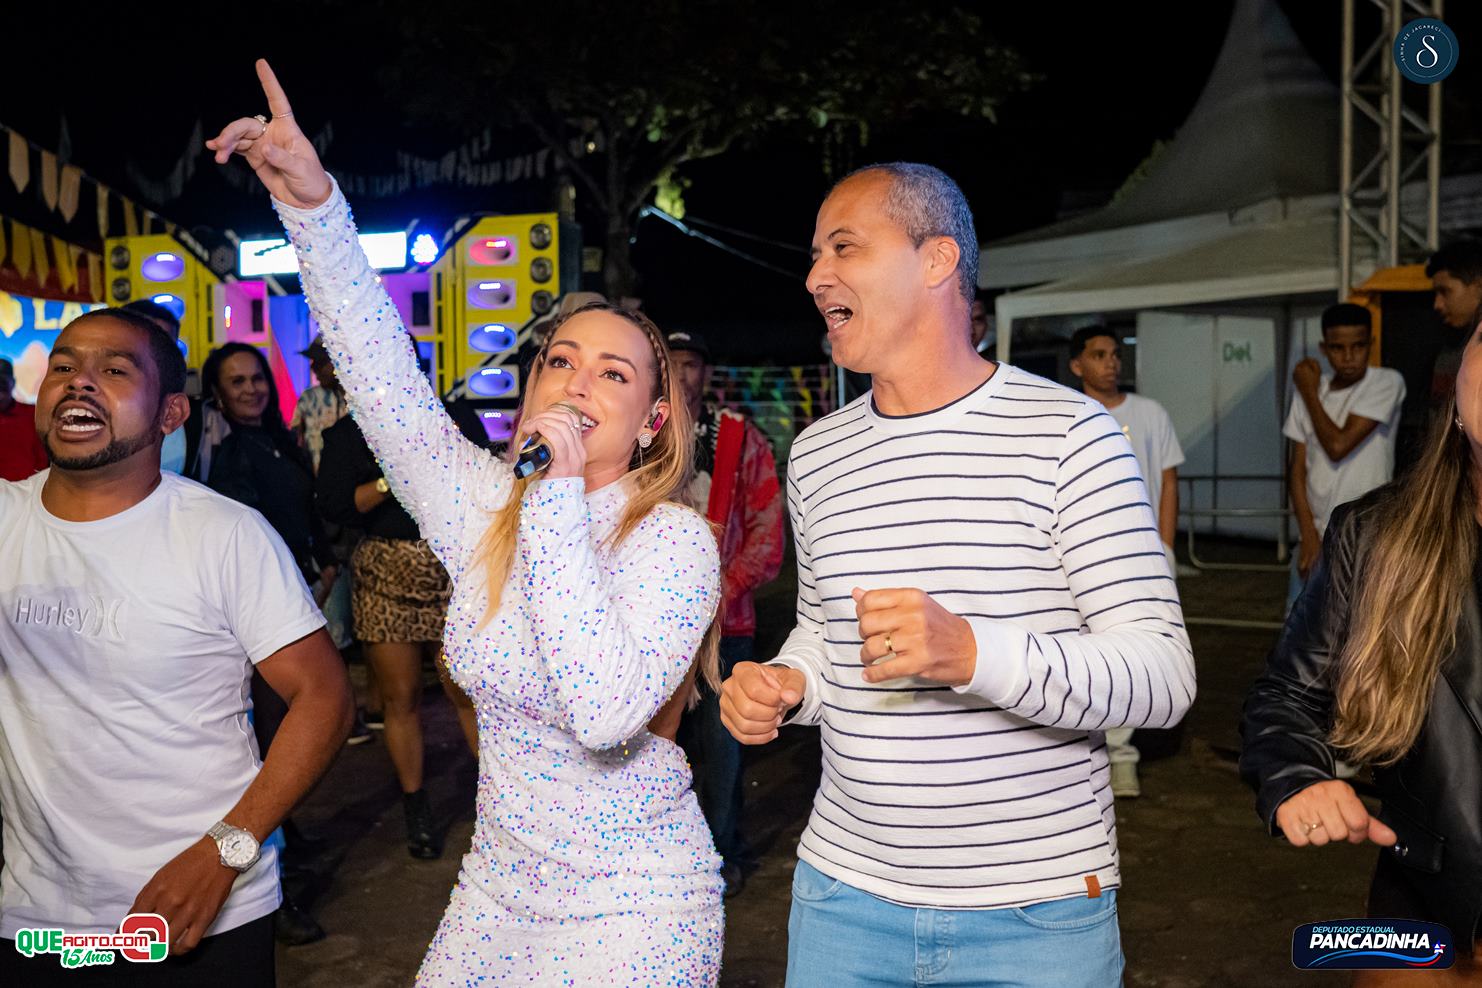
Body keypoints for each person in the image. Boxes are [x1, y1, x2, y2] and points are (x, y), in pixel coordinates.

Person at [209, 60, 725, 985]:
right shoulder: (485, 505)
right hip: (497, 888)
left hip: (638, 901)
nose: (576, 380)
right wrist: (314, 209)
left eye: (612, 373)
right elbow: (382, 380)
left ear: (653, 420)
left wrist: (556, 495)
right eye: (560, 361)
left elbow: (606, 712)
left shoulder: (674, 541)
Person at [719, 162, 1195, 987]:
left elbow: (1163, 678)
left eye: (844, 248)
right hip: (843, 901)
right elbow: (827, 631)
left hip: (1036, 915)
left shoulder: (1070, 436)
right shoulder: (819, 454)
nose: (815, 276)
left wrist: (972, 652)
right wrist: (791, 681)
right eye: (814, 254)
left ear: (937, 260)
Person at [0, 308, 353, 986]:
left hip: (202, 906)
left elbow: (325, 699)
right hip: (37, 914)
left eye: (114, 370)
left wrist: (225, 852)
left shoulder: (223, 535)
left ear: (170, 415)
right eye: (64, 366)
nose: (79, 382)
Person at [1239, 315, 1482, 984]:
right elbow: (1288, 696)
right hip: (1424, 922)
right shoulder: (1374, 537)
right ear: (1458, 379)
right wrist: (1297, 775)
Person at [316, 409, 470, 853]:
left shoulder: (447, 417)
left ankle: (500, 799)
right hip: (384, 573)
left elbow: (483, 480)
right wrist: (392, 480)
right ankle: (416, 807)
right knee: (401, 698)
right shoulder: (348, 433)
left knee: (469, 691)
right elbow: (336, 505)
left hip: (450, 570)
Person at [667, 328, 785, 896]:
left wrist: (718, 591)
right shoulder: (637, 438)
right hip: (653, 628)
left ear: (706, 373)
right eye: (671, 363)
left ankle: (721, 856)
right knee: (658, 752)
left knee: (722, 749)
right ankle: (665, 862)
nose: (681, 373)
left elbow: (767, 531)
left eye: (691, 363)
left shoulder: (739, 438)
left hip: (725, 625)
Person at [1068, 324, 1186, 799]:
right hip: (1081, 560)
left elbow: (1168, 480)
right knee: (1087, 655)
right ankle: (1096, 755)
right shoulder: (1068, 412)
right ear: (1077, 365)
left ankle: (1122, 756)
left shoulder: (1150, 413)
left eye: (1115, 354)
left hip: (1142, 559)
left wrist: (1165, 546)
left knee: (1134, 655)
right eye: (1099, 355)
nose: (1111, 362)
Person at [1284, 304, 1405, 607]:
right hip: (1315, 536)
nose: (1349, 356)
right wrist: (1308, 534)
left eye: (1358, 346)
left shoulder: (1386, 382)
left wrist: (1309, 392)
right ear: (1324, 348)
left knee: (1361, 625)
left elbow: (1337, 445)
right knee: (1299, 628)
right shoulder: (1311, 389)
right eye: (1338, 348)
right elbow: (1296, 470)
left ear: (1371, 344)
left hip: (1368, 535)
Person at [290, 336, 348, 474]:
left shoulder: (356, 400)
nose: (313, 368)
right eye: (313, 362)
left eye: (321, 362)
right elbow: (295, 438)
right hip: (317, 478)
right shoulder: (308, 398)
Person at [0, 357, 47, 481]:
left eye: (2, 383)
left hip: (26, 489)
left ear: (13, 383)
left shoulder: (33, 414)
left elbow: (43, 459)